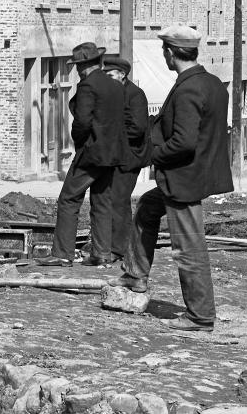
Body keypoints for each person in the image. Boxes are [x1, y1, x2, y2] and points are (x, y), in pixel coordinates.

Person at [109, 25, 233, 332]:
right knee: (147, 211)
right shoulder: (212, 83)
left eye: (164, 50)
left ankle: (200, 316)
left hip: (184, 179)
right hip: (195, 174)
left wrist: (152, 155)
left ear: (169, 52)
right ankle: (135, 275)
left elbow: (185, 141)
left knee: (188, 248)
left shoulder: (189, 89)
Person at [39, 42, 125, 267]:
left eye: (77, 66)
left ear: (84, 66)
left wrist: (79, 141)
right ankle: (102, 253)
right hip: (112, 154)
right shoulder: (115, 85)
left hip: (91, 153)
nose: (77, 70)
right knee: (102, 201)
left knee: (68, 199)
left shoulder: (88, 86)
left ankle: (62, 254)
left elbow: (83, 121)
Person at [102, 54, 150, 262]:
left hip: (129, 157)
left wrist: (109, 134)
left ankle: (119, 249)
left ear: (122, 75)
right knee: (110, 199)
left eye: (110, 74)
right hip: (115, 155)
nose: (106, 78)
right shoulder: (111, 93)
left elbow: (137, 129)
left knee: (119, 200)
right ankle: (112, 244)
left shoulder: (135, 95)